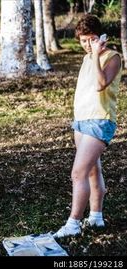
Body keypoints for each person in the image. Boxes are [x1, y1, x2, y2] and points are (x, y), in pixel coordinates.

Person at [54, 15, 122, 238]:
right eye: (83, 41)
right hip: (81, 120)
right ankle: (96, 217)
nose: (87, 45)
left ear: (101, 37)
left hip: (100, 120)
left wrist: (95, 55)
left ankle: (73, 223)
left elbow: (101, 85)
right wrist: (90, 55)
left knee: (77, 173)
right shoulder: (86, 59)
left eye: (91, 39)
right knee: (93, 170)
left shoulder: (112, 57)